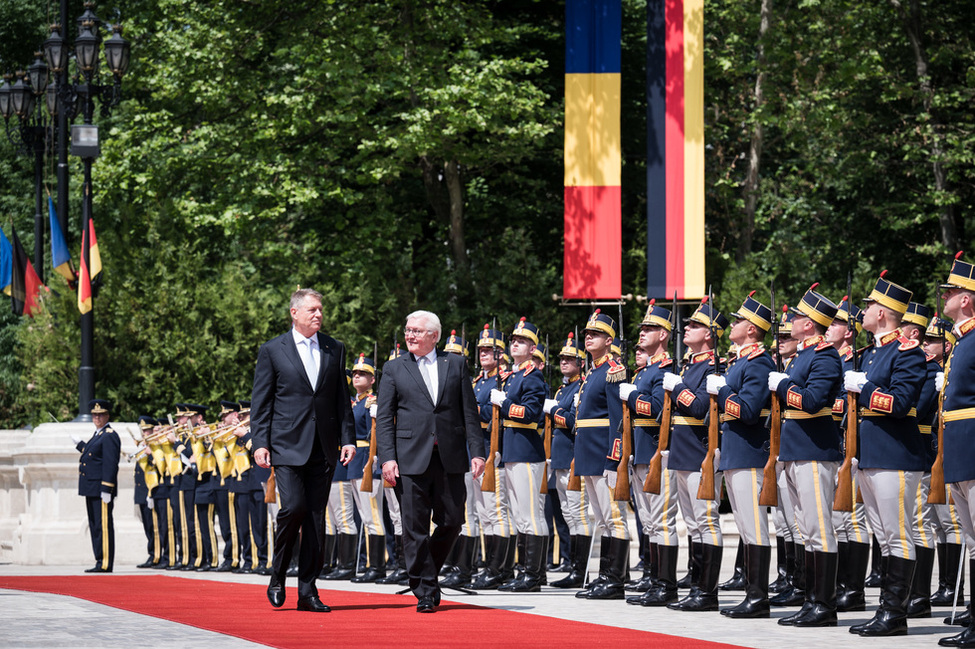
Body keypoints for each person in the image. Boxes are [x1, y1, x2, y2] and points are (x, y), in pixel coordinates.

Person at [251, 287, 356, 613]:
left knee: (313, 520)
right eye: (312, 309)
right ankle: (278, 574)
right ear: (294, 313)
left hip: (323, 447)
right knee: (292, 508)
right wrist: (260, 443)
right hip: (286, 445)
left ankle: (308, 591)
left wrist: (348, 438)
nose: (318, 314)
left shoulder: (334, 349)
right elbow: (262, 401)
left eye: (321, 309)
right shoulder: (273, 350)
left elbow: (341, 400)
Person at [376, 310, 485, 613]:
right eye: (407, 330)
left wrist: (477, 451)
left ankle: (426, 574)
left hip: (450, 456)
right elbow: (384, 419)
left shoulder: (456, 364)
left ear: (434, 336)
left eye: (416, 331)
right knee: (415, 527)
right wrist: (387, 458)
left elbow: (469, 412)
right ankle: (425, 590)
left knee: (452, 521)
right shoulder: (394, 368)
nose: (409, 335)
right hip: (409, 458)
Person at [767, 284, 843, 627]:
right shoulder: (802, 356)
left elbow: (812, 402)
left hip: (813, 450)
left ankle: (824, 605)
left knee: (818, 528)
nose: (792, 321)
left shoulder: (825, 356)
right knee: (806, 530)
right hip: (796, 451)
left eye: (797, 317)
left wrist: (782, 386)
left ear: (810, 324)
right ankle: (812, 600)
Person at [937, 254, 975, 648]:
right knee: (972, 539)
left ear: (966, 299)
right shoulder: (963, 341)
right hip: (960, 450)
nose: (945, 296)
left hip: (973, 447)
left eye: (951, 291)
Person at [73, 399, 121, 573]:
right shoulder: (99, 435)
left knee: (103, 526)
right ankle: (100, 560)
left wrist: (107, 488)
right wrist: (81, 446)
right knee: (95, 525)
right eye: (94, 415)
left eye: (100, 415)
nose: (97, 418)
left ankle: (106, 562)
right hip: (91, 488)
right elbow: (94, 456)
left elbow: (110, 464)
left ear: (107, 416)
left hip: (101, 489)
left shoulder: (109, 435)